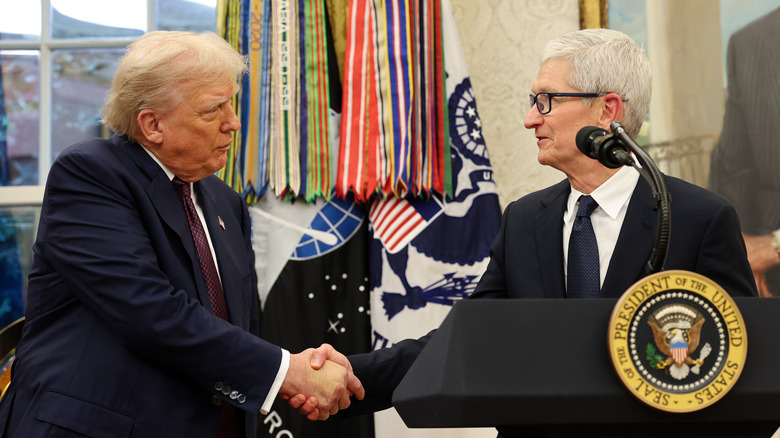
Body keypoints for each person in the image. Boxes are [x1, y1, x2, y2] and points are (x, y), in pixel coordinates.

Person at [294, 28, 763, 436]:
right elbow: (467, 338)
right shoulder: (524, 219)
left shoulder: (698, 219)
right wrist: (349, 372)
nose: (530, 118)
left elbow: (747, 370)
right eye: (532, 101)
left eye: (547, 100)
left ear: (607, 111)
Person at [0, 31, 362, 438]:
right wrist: (285, 371)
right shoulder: (91, 173)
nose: (234, 123)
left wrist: (298, 367)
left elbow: (237, 327)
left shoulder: (225, 202)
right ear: (153, 124)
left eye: (232, 103)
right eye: (213, 109)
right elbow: (149, 310)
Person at [709, 7, 780, 298]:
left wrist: (776, 245)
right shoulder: (750, 42)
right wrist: (735, 250)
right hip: (770, 281)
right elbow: (732, 165)